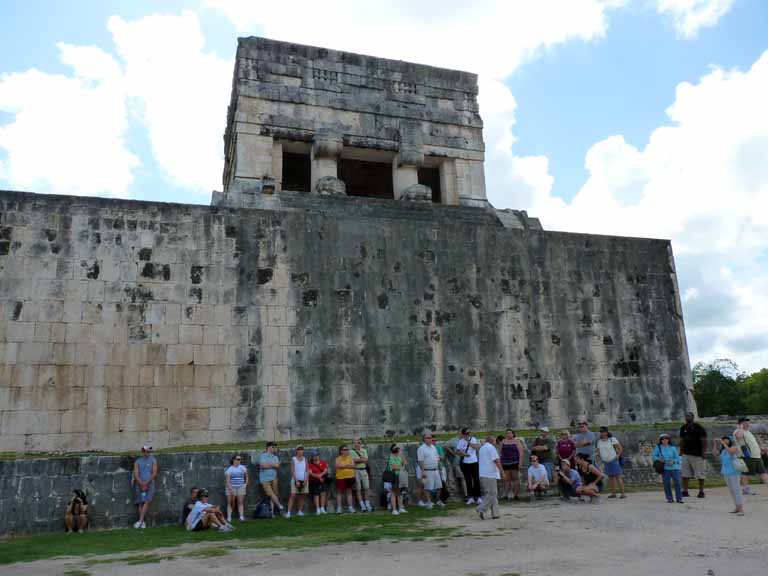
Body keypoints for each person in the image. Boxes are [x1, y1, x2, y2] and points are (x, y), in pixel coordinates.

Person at [733, 416, 768, 494]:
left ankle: (746, 489)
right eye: (745, 423)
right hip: (747, 456)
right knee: (745, 473)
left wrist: (760, 449)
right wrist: (741, 428)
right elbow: (738, 437)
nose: (748, 424)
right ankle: (746, 489)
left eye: (748, 422)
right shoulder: (737, 431)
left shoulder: (748, 432)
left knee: (763, 472)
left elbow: (752, 443)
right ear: (741, 424)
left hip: (756, 456)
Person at [679, 411, 708, 498]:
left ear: (692, 417)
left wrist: (703, 452)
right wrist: (681, 451)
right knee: (685, 474)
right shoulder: (683, 428)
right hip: (686, 453)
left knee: (700, 474)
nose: (687, 417)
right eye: (686, 416)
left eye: (689, 416)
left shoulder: (699, 428)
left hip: (697, 454)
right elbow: (682, 440)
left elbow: (704, 440)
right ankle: (685, 491)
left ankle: (701, 491)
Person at [713, 436, 744, 516]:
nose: (724, 440)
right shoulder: (723, 450)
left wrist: (723, 443)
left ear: (730, 440)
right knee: (732, 490)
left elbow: (731, 452)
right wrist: (715, 444)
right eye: (723, 439)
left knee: (736, 489)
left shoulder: (734, 447)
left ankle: (741, 509)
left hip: (734, 472)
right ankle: (737, 507)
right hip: (726, 472)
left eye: (726, 439)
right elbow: (714, 453)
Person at [477, 435, 503, 519]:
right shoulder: (491, 448)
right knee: (492, 493)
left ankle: (495, 513)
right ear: (492, 441)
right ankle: (481, 508)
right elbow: (496, 460)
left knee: (492, 494)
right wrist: (502, 471)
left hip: (483, 473)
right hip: (490, 474)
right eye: (495, 440)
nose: (496, 442)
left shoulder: (482, 448)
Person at [653, 433, 683, 504]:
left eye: (666, 438)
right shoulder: (658, 447)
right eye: (663, 439)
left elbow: (677, 457)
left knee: (677, 483)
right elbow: (654, 456)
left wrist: (674, 461)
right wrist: (659, 459)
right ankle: (669, 498)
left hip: (675, 468)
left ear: (668, 439)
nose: (665, 440)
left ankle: (679, 498)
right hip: (665, 468)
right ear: (661, 440)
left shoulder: (672, 448)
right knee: (666, 483)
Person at [417, 433, 444, 509]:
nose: (430, 439)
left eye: (430, 438)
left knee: (439, 486)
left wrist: (440, 468)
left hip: (435, 470)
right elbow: (420, 461)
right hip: (427, 470)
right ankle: (429, 502)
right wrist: (423, 471)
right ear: (424, 439)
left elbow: (437, 458)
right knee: (427, 487)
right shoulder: (421, 449)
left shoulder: (433, 447)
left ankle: (438, 501)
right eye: (428, 438)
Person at [597, 427, 626, 499]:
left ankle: (623, 493)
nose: (602, 433)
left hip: (613, 460)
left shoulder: (612, 439)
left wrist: (618, 455)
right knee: (611, 477)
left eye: (603, 432)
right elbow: (598, 451)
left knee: (618, 477)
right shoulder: (599, 441)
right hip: (606, 461)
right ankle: (613, 493)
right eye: (601, 432)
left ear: (607, 432)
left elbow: (620, 448)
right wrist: (601, 458)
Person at [133, 445, 158, 529]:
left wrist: (146, 483)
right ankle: (142, 522)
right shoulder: (137, 462)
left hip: (149, 484)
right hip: (140, 484)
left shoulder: (153, 460)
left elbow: (154, 473)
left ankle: (140, 521)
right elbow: (136, 474)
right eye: (146, 451)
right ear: (143, 451)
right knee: (140, 503)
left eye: (149, 451)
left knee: (147, 502)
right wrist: (141, 483)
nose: (148, 453)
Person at [456, 427, 481, 504]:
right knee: (468, 480)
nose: (468, 434)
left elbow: (476, 447)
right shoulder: (460, 441)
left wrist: (468, 442)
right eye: (466, 433)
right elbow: (458, 451)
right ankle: (470, 497)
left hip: (474, 462)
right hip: (465, 463)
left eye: (469, 433)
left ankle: (478, 496)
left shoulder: (473, 439)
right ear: (463, 434)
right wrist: (463, 454)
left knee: (476, 479)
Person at [258, 442, 284, 516]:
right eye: (273, 447)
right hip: (265, 479)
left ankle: (272, 512)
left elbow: (278, 466)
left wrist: (269, 464)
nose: (275, 448)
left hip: (274, 478)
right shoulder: (263, 456)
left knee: (274, 495)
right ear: (269, 447)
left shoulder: (275, 457)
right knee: (271, 494)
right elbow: (263, 466)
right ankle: (280, 506)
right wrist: (273, 465)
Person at [500, 429, 526, 500]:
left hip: (515, 462)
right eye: (507, 433)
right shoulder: (503, 441)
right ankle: (506, 495)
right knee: (506, 479)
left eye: (510, 433)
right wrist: (500, 462)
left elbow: (521, 453)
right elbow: (500, 452)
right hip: (505, 463)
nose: (508, 434)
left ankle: (515, 495)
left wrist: (520, 464)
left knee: (515, 478)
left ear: (513, 434)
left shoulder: (517, 441)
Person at [350, 438, 373, 512]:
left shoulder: (364, 450)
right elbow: (352, 461)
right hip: (356, 470)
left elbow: (366, 460)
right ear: (354, 443)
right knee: (358, 489)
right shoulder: (351, 451)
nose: (359, 444)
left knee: (366, 488)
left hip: (363, 470)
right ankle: (362, 505)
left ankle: (367, 504)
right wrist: (361, 460)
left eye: (360, 442)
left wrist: (358, 460)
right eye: (358, 442)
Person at [286, 446, 309, 518]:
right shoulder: (293, 459)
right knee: (293, 495)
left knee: (303, 495)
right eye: (299, 450)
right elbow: (292, 471)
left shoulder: (305, 459)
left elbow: (307, 470)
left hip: (304, 480)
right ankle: (288, 512)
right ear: (297, 451)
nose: (300, 451)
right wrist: (296, 481)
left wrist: (306, 480)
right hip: (295, 480)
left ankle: (300, 511)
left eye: (301, 450)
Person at [225, 455, 249, 522]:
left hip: (240, 486)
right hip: (231, 487)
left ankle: (241, 516)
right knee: (230, 502)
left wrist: (245, 485)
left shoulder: (242, 467)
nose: (239, 461)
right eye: (238, 459)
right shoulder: (230, 469)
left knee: (240, 502)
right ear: (234, 460)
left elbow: (246, 477)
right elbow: (227, 481)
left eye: (240, 459)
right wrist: (231, 489)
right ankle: (229, 517)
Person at [444, 429, 466, 499]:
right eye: (461, 432)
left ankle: (468, 494)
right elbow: (445, 445)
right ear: (459, 433)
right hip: (457, 463)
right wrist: (452, 452)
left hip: (467, 462)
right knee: (463, 478)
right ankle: (466, 495)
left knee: (466, 478)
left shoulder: (467, 440)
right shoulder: (454, 440)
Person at [384, 444, 407, 515]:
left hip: (400, 475)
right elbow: (393, 466)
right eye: (397, 448)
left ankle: (400, 508)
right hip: (394, 476)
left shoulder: (400, 455)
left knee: (400, 493)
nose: (398, 449)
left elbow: (405, 463)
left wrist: (402, 455)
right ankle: (394, 509)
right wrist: (401, 467)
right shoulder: (391, 456)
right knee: (394, 493)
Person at [335, 444, 357, 514]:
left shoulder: (350, 458)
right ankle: (339, 508)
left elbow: (353, 466)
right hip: (340, 477)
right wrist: (347, 465)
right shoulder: (337, 458)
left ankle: (350, 507)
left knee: (349, 492)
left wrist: (343, 466)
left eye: (347, 449)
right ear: (341, 451)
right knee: (339, 492)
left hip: (350, 476)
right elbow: (337, 466)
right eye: (344, 450)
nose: (346, 451)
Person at [308, 450, 330, 514]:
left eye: (317, 455)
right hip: (314, 480)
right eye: (314, 456)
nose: (316, 457)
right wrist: (318, 476)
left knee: (323, 493)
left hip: (322, 480)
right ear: (312, 457)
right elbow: (310, 473)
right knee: (316, 494)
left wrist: (320, 476)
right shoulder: (310, 464)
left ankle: (322, 508)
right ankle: (317, 509)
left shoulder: (323, 462)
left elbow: (325, 470)